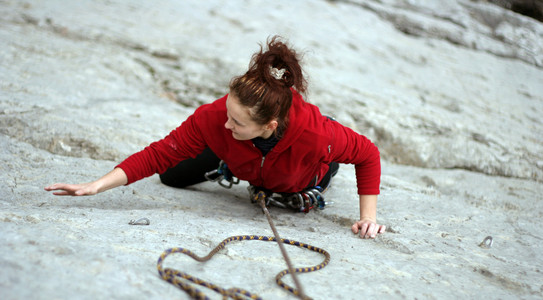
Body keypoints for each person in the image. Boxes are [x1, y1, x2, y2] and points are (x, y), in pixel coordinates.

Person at [44, 36, 386, 239]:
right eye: (227, 112)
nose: (225, 123)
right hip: (245, 159)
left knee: (314, 172)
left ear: (268, 125)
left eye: (236, 121)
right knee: (171, 176)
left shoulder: (316, 134)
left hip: (303, 173)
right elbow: (159, 153)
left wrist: (367, 217)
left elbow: (368, 154)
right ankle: (228, 161)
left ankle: (250, 164)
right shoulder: (214, 118)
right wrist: (96, 186)